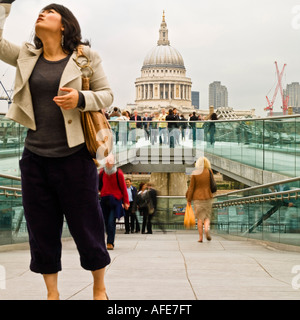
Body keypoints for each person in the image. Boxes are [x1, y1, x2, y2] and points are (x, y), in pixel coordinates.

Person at [2, 2, 113, 300]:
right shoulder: (27, 55)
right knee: (41, 230)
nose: (42, 13)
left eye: (50, 12)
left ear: (64, 24)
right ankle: (52, 293)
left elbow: (107, 95)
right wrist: (3, 7)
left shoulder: (84, 57)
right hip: (35, 157)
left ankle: (99, 287)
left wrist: (80, 97)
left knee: (87, 225)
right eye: (41, 11)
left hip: (75, 156)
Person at [99, 154, 129, 250]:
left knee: (111, 222)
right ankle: (109, 238)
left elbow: (124, 189)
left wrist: (126, 202)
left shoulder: (118, 174)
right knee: (105, 222)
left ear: (113, 163)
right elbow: (97, 184)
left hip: (115, 201)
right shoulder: (102, 172)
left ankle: (110, 243)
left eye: (110, 162)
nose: (108, 164)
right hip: (104, 200)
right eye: (107, 162)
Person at [186, 157, 215, 242]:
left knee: (199, 218)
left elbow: (191, 188)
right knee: (206, 217)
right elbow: (212, 184)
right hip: (208, 197)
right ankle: (206, 229)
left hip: (197, 198)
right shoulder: (210, 171)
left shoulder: (195, 173)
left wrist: (189, 200)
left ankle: (200, 238)